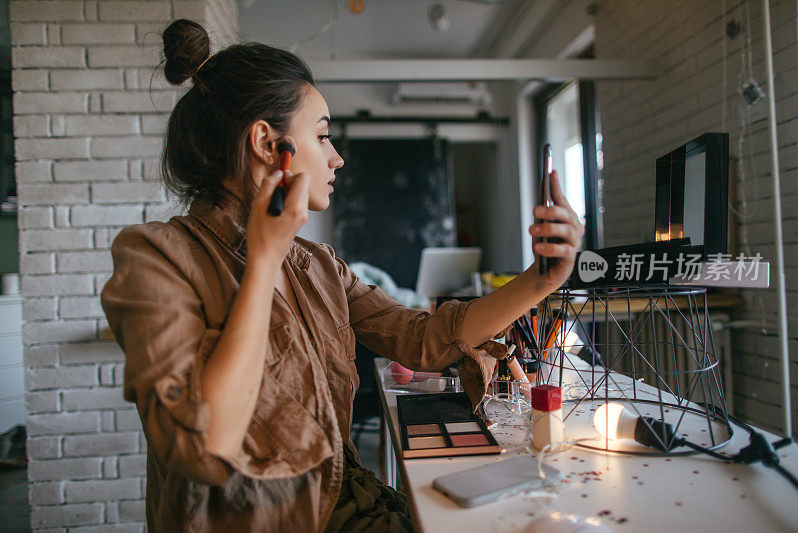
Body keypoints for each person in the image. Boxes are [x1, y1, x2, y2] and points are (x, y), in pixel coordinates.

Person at [100, 19, 584, 532]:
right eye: (323, 135)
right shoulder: (156, 257)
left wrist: (541, 279)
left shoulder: (317, 264)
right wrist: (262, 264)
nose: (337, 157)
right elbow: (203, 444)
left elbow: (422, 340)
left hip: (349, 508)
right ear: (268, 143)